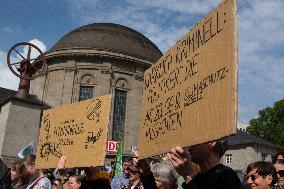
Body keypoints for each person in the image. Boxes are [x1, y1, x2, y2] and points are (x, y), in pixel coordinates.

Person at [167, 139, 243, 189]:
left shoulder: (225, 175)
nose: (189, 144)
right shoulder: (198, 177)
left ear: (211, 142)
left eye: (194, 138)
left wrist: (188, 175)